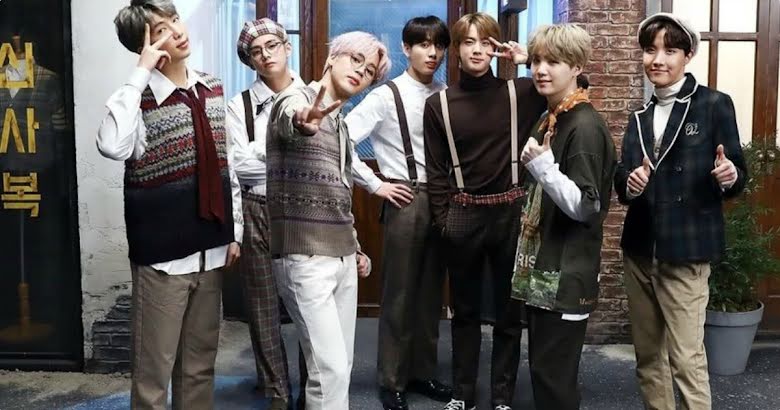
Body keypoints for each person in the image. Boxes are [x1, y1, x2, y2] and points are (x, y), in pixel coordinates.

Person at [97, 1, 242, 408]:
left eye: (174, 20)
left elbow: (227, 164)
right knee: (153, 374)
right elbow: (112, 145)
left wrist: (235, 231)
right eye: (160, 30)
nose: (176, 31)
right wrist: (140, 73)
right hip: (163, 260)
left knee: (200, 367)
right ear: (142, 45)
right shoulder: (137, 100)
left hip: (210, 249)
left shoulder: (212, 87)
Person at [615, 13, 747, 410]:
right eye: (650, 50)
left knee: (687, 361)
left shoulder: (713, 105)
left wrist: (728, 174)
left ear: (687, 55)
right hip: (640, 249)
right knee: (648, 359)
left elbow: (737, 174)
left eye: (669, 50)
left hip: (686, 250)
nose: (658, 59)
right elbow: (622, 179)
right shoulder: (639, 116)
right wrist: (630, 184)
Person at [423, 12, 546, 410]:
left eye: (485, 42)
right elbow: (436, 170)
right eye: (468, 42)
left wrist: (528, 59)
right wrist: (444, 221)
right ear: (457, 50)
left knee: (510, 314)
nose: (477, 50)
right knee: (465, 312)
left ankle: (502, 398)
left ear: (497, 48)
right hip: (463, 215)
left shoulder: (521, 91)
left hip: (511, 212)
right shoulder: (439, 104)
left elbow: (578, 84)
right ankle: (462, 394)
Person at [266, 31, 389, 410]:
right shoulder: (296, 98)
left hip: (342, 258)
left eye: (369, 71)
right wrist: (303, 120)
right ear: (332, 57)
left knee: (340, 367)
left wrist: (356, 247)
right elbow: (292, 118)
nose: (361, 72)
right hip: (304, 257)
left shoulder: (342, 126)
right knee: (329, 371)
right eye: (355, 59)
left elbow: (339, 195)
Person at [344, 16, 453, 410]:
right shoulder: (386, 95)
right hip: (405, 198)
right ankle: (391, 380)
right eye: (423, 44)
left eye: (439, 45)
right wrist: (375, 185)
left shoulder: (445, 93)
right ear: (406, 49)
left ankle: (422, 372)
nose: (432, 52)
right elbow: (341, 139)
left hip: (441, 198)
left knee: (431, 294)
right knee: (399, 295)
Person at [511, 23, 616, 410]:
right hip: (543, 270)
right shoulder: (552, 116)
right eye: (536, 60)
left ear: (576, 67)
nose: (541, 70)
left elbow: (586, 207)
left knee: (555, 380)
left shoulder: (584, 125)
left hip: (567, 273)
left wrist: (543, 167)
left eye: (553, 62)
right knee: (545, 372)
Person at [227, 17, 305, 410]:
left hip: (304, 210)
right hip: (257, 207)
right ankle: (277, 391)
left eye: (272, 46)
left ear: (287, 47)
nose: (265, 55)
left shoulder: (312, 96)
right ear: (250, 61)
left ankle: (314, 390)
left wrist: (261, 154)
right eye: (256, 52)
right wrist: (285, 159)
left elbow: (320, 161)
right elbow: (238, 168)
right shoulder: (239, 105)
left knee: (309, 302)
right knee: (262, 306)